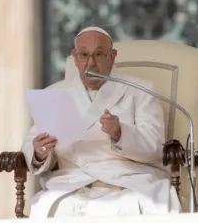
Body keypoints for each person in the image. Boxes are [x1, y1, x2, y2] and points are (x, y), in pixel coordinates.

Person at [21, 27, 181, 218]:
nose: (91, 63)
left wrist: (120, 134)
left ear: (112, 56)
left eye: (99, 54)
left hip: (127, 183)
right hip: (72, 185)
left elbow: (155, 147)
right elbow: (31, 144)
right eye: (84, 55)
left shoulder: (140, 91)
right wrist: (39, 152)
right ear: (75, 57)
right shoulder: (53, 94)